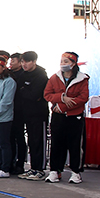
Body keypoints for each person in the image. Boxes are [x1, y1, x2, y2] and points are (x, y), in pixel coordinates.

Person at [43, 52, 89, 184]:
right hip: (58, 116)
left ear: (73, 64)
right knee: (56, 144)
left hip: (75, 117)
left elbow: (83, 98)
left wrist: (64, 107)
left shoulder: (82, 79)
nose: (62, 64)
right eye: (61, 61)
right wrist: (61, 98)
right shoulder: (54, 78)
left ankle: (76, 172)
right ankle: (55, 171)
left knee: (75, 145)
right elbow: (47, 94)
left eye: (66, 61)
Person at [13, 51, 49, 180]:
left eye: (27, 61)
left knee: (38, 141)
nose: (24, 64)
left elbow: (35, 95)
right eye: (22, 62)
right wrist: (25, 91)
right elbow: (18, 91)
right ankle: (32, 168)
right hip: (25, 113)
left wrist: (24, 91)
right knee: (31, 142)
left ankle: (40, 169)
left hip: (38, 114)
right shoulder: (23, 75)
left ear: (34, 62)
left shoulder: (41, 75)